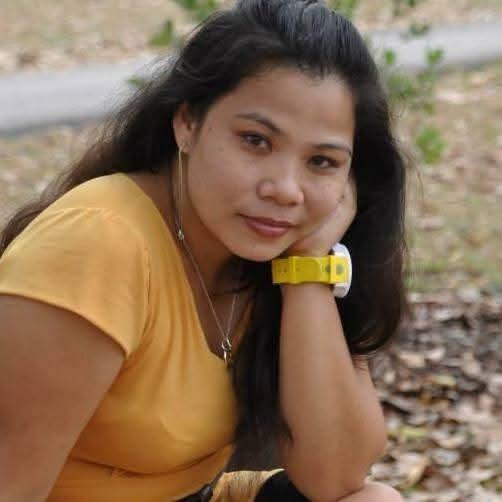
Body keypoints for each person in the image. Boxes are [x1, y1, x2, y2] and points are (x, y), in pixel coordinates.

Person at [0, 0, 408, 500]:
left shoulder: (277, 256)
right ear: (187, 124)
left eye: (321, 161)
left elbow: (336, 477)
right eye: (256, 141)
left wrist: (306, 272)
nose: (285, 189)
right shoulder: (97, 244)